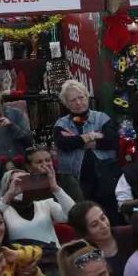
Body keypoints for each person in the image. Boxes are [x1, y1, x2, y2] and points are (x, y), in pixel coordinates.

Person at [54, 80, 120, 215]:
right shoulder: (61, 123)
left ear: (87, 97)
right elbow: (63, 144)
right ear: (66, 103)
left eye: (81, 98)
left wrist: (79, 140)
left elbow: (112, 141)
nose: (78, 103)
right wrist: (92, 135)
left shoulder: (102, 118)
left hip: (105, 173)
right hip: (76, 177)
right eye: (72, 100)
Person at [0, 156, 76, 249]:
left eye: (25, 180)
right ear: (7, 185)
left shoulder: (45, 203)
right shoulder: (4, 210)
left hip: (51, 256)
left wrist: (55, 188)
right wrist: (9, 195)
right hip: (23, 259)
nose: (22, 185)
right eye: (16, 182)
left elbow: (72, 214)